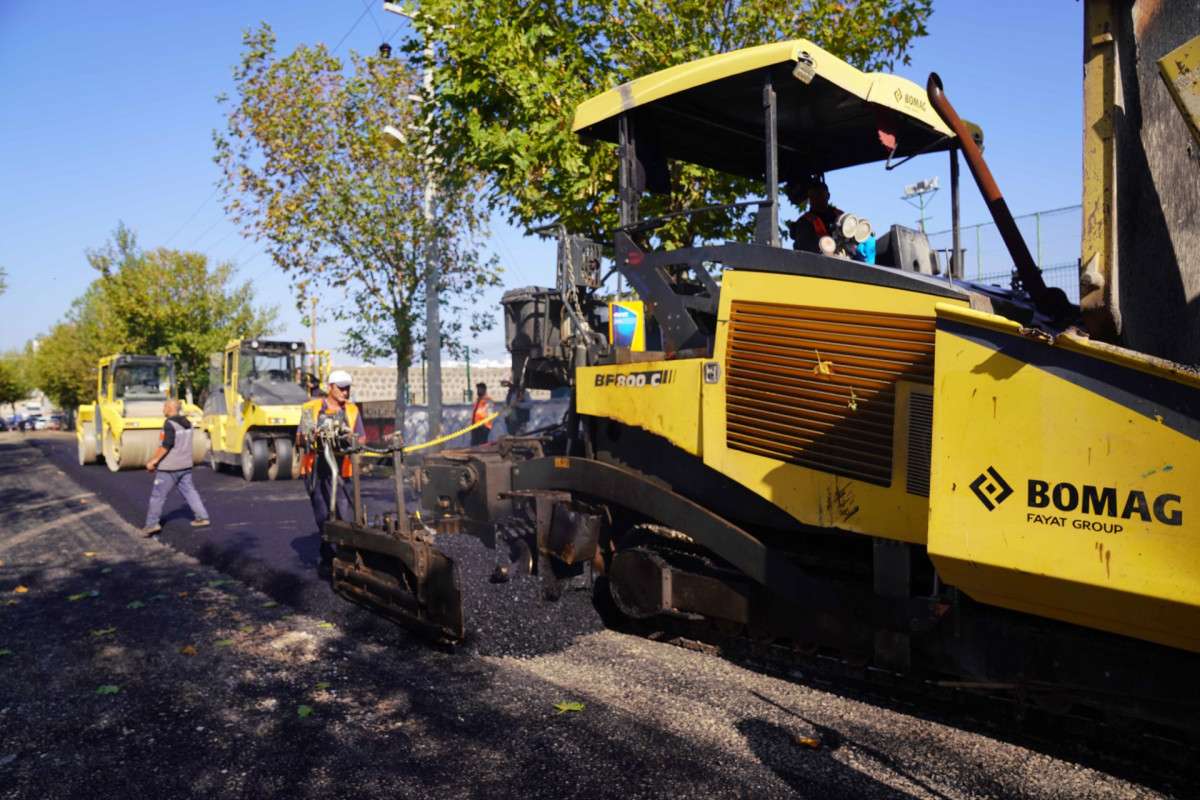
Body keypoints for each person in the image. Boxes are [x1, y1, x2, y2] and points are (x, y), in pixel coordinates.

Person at [298, 370, 365, 563]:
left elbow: (361, 437)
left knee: (345, 512)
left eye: (348, 388)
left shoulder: (352, 410)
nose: (345, 392)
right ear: (330, 388)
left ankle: (346, 555)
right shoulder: (311, 408)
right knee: (323, 514)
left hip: (342, 469)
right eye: (341, 388)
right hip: (316, 469)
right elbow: (299, 438)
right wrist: (311, 435)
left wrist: (351, 440)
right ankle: (328, 556)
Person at [141, 399, 210, 536]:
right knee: (190, 491)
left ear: (170, 408)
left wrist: (153, 461)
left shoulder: (169, 424)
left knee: (158, 496)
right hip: (185, 465)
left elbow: (166, 446)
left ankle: (151, 524)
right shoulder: (187, 422)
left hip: (169, 467)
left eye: (164, 407)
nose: (163, 409)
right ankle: (202, 517)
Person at [785, 177, 844, 254]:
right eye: (813, 196)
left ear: (828, 196)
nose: (816, 198)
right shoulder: (804, 221)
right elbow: (801, 250)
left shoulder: (840, 215)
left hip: (844, 257)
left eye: (820, 194)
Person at [470, 382, 493, 446]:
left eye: (479, 389)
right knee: (475, 444)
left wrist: (484, 424)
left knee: (482, 445)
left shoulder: (488, 400)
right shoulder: (478, 400)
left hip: (483, 426)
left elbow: (490, 414)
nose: (478, 391)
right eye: (478, 389)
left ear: (484, 390)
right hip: (475, 426)